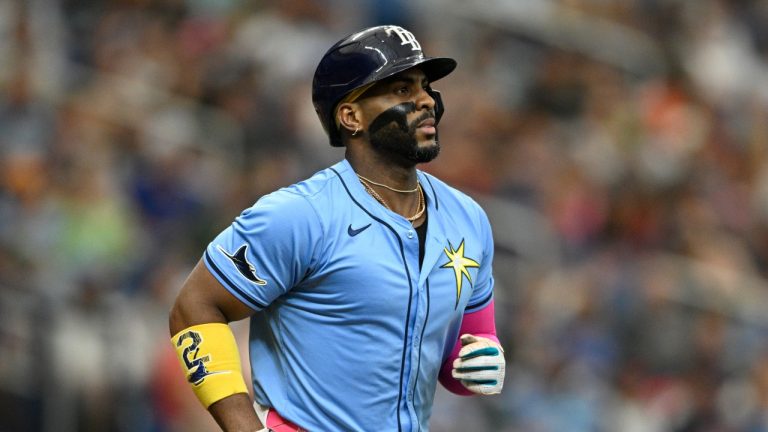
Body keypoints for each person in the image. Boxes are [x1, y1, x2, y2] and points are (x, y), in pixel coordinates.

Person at [169, 24, 505, 431]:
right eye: (401, 89)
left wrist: (479, 364)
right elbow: (194, 308)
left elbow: (462, 356)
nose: (426, 101)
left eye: (425, 86)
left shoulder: (468, 217)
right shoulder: (299, 215)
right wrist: (244, 426)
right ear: (351, 116)